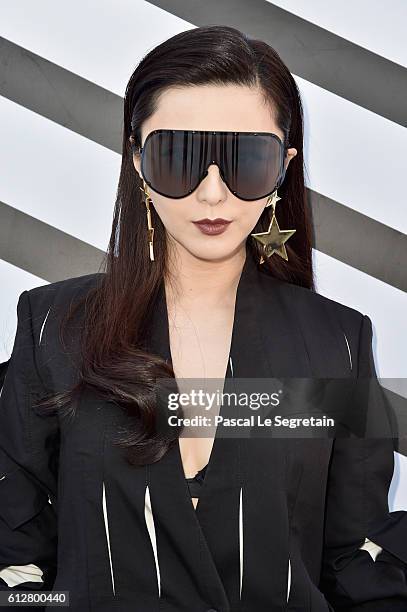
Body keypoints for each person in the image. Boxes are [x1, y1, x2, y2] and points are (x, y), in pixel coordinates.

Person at [0, 25, 406, 612]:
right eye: (179, 156)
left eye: (246, 159)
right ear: (138, 161)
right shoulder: (51, 327)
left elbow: (354, 563)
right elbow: (16, 552)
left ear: (284, 168)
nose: (212, 194)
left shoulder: (338, 341)